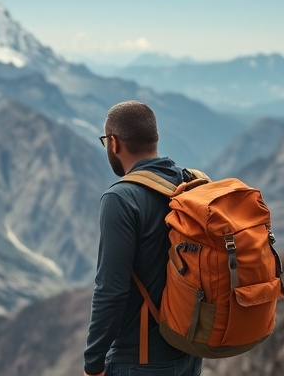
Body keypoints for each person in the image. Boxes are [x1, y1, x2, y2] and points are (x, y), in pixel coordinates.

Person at [83, 100, 202, 376]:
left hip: (140, 359)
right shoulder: (188, 183)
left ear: (113, 143)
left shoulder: (121, 199)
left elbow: (110, 291)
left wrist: (93, 364)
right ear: (155, 139)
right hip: (187, 352)